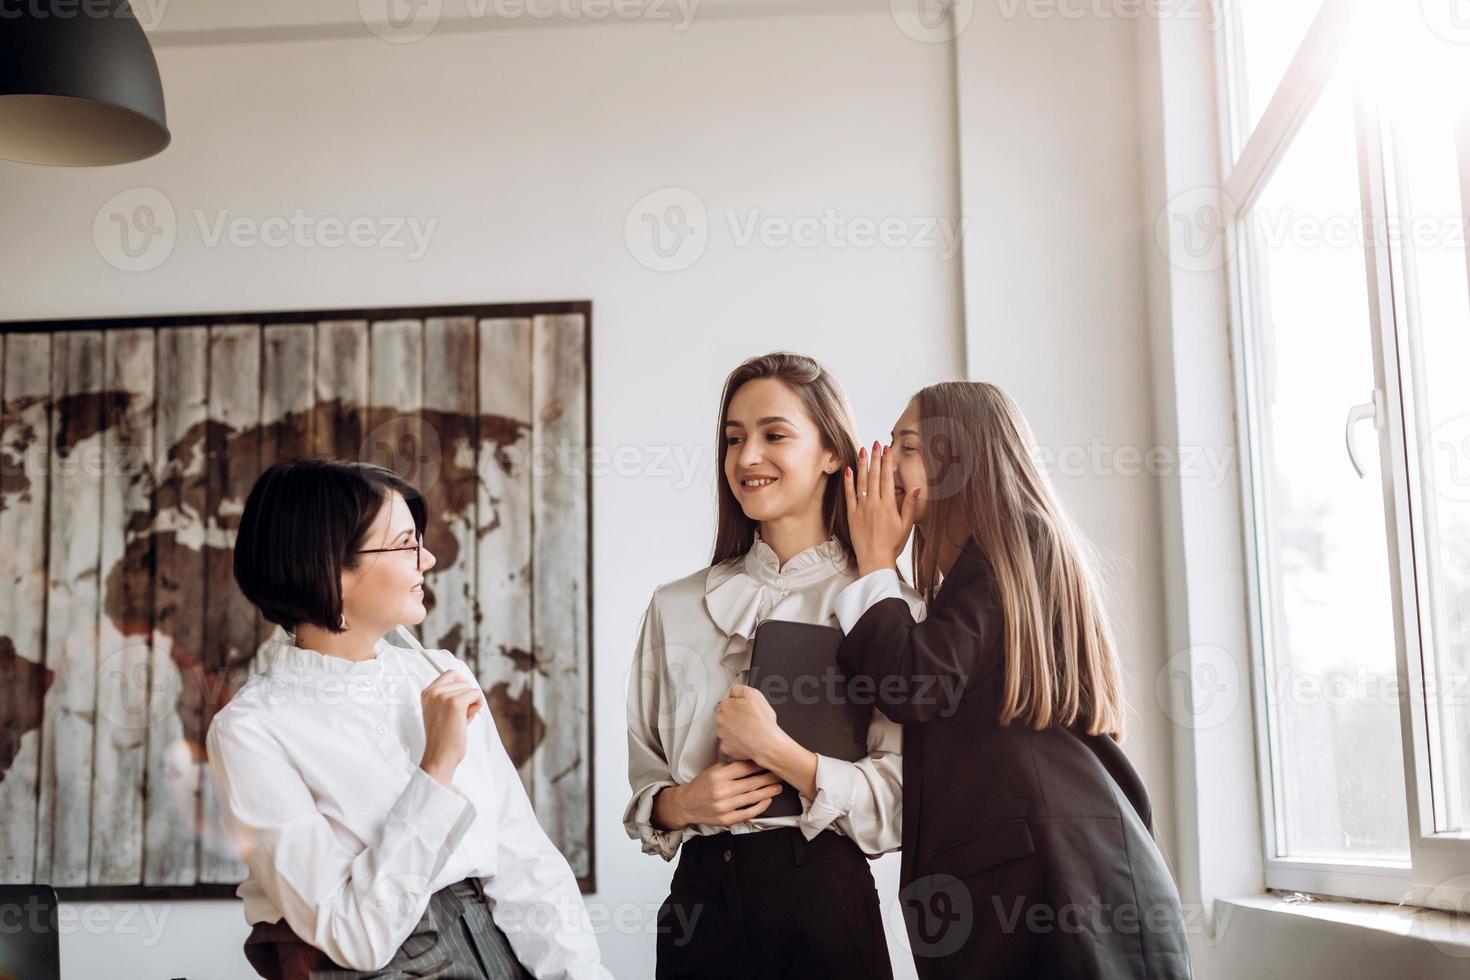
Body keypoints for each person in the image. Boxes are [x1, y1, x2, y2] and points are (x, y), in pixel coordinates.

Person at [835, 382, 1192, 979]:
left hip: (1061, 890)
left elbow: (915, 684)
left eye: (907, 445)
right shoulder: (993, 565)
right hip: (1049, 888)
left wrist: (875, 566)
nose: (884, 460)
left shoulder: (1018, 541)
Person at [209, 458, 610, 979]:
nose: (429, 557)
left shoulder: (441, 672)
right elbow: (355, 938)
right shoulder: (250, 731)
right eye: (404, 543)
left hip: (504, 953)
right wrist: (436, 768)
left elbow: (524, 862)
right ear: (329, 566)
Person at [624, 352, 922, 979]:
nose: (747, 457)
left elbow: (903, 803)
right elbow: (646, 779)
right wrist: (682, 805)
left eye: (773, 435)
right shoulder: (673, 607)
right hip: (698, 904)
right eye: (734, 439)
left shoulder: (888, 612)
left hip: (823, 899)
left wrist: (787, 756)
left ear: (831, 453)